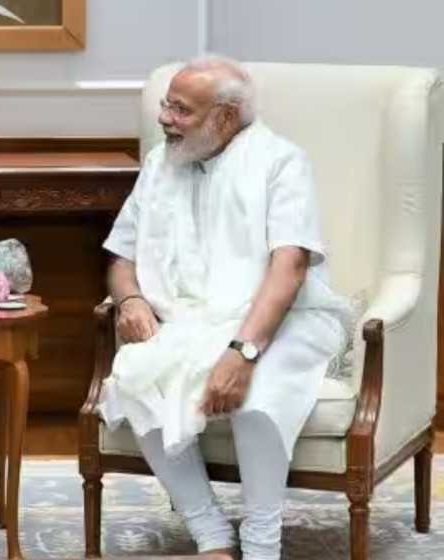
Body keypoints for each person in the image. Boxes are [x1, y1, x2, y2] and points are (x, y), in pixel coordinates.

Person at [99, 56, 352, 560]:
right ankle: (211, 534)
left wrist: (242, 351)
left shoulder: (281, 161)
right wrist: (129, 298)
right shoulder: (159, 164)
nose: (165, 119)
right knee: (134, 376)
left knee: (257, 402)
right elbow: (120, 255)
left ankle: (262, 542)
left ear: (226, 117)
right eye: (166, 105)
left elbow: (291, 267)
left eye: (181, 109)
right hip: (192, 322)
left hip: (285, 320)